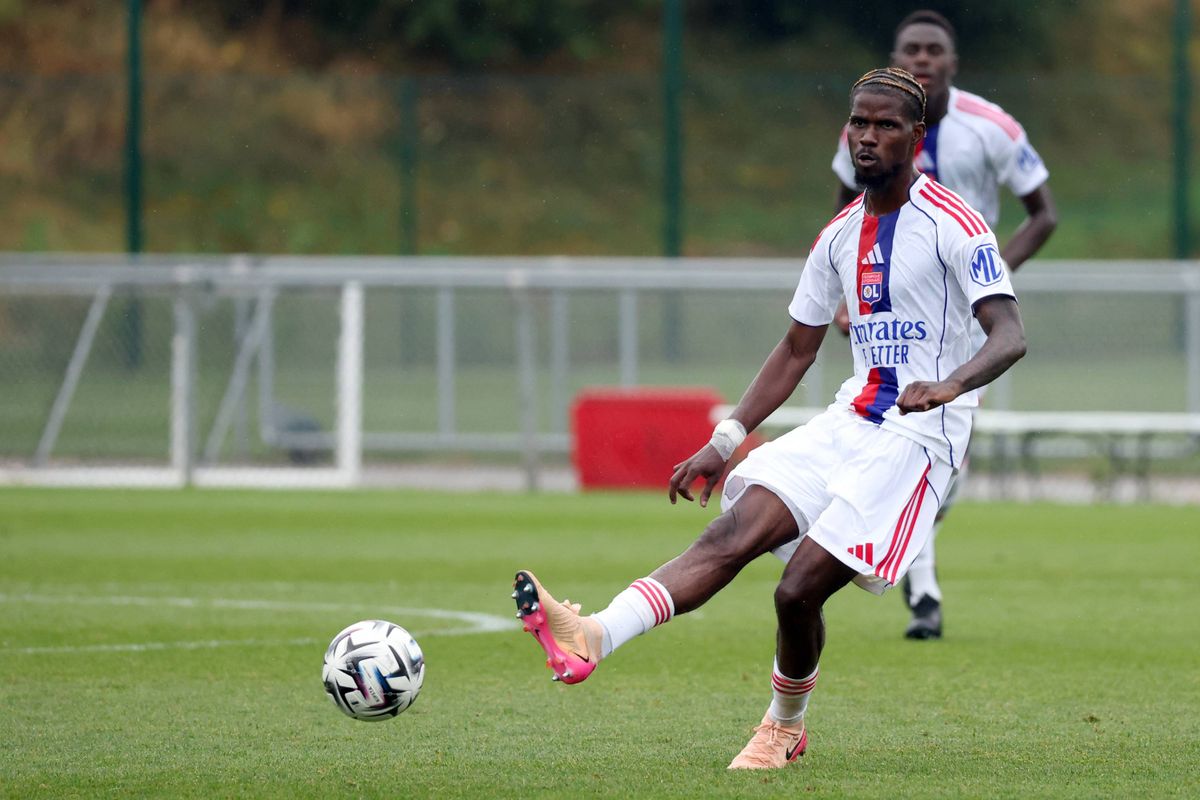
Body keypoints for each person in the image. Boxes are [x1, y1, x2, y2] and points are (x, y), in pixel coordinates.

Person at [513, 67, 1027, 769]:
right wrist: (723, 440)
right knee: (735, 528)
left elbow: (1008, 334)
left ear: (916, 136)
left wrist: (951, 384)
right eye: (858, 123)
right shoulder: (840, 235)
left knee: (797, 590)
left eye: (884, 125)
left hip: (920, 439)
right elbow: (795, 348)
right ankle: (592, 634)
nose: (867, 137)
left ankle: (786, 726)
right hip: (852, 421)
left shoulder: (957, 226)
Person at [831, 10, 1057, 640]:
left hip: (965, 319)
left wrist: (990, 277)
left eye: (935, 50)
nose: (924, 58)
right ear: (898, 55)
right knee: (888, 435)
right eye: (913, 49)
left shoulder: (991, 127)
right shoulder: (869, 124)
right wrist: (846, 293)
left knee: (942, 453)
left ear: (953, 62)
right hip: (892, 308)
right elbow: (847, 204)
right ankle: (921, 591)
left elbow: (1043, 213)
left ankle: (900, 563)